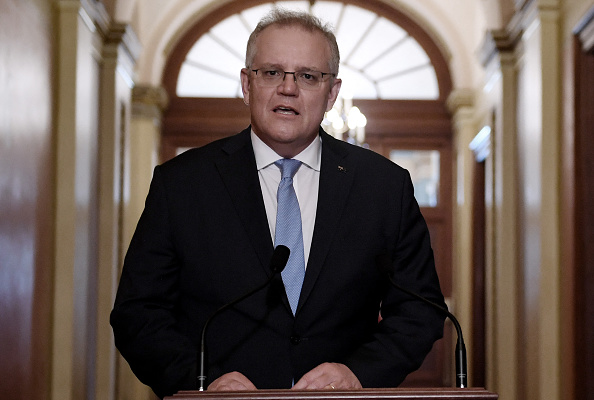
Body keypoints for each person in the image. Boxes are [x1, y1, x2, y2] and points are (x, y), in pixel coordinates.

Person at [110, 8, 446, 399]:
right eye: (271, 72)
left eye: (308, 76)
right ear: (246, 84)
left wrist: (358, 373)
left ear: (332, 92)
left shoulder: (383, 187)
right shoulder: (182, 183)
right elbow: (139, 314)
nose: (288, 88)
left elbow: (420, 312)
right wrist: (201, 380)